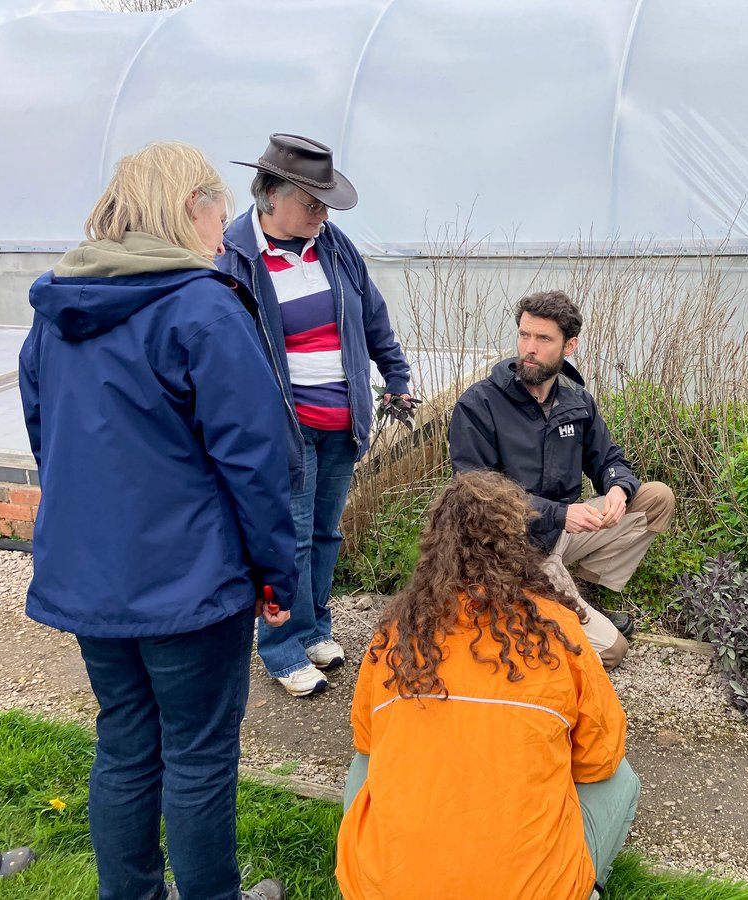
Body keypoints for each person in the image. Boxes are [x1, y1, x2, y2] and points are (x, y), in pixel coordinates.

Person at [18, 142, 294, 900]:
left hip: (94, 581)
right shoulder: (201, 306)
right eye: (216, 213)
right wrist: (278, 573)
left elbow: (50, 442)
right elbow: (257, 463)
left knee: (127, 744)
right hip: (190, 584)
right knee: (200, 757)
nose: (223, 232)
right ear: (187, 208)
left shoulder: (55, 308)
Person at [337, 471, 640, 900]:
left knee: (365, 762)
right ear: (517, 541)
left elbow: (367, 738)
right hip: (527, 890)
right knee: (622, 777)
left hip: (386, 888)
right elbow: (598, 759)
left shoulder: (393, 633)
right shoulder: (559, 629)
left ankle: (382, 865)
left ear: (435, 545)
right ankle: (577, 884)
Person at [220, 134, 413, 698]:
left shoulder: (333, 245)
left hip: (342, 421)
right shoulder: (235, 257)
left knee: (325, 533)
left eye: (326, 204)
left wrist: (396, 379)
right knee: (290, 539)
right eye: (313, 203)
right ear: (270, 197)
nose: (322, 214)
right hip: (284, 426)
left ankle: (312, 630)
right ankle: (280, 647)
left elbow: (372, 317)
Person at [448, 290, 674, 669]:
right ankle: (527, 609)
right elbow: (478, 498)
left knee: (656, 498)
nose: (529, 348)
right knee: (612, 651)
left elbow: (610, 460)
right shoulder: (478, 405)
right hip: (507, 549)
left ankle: (574, 592)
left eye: (543, 339)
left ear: (569, 345)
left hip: (558, 536)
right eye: (524, 335)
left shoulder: (577, 401)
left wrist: (618, 487)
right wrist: (559, 514)